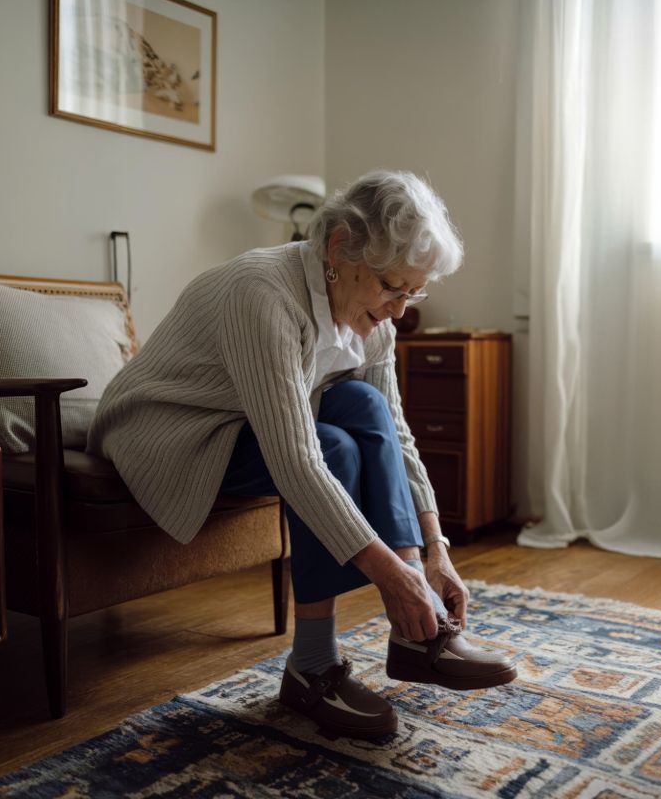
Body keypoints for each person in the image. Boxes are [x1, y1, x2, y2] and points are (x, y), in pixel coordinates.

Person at [87, 170, 515, 739]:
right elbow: (296, 458)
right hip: (167, 434)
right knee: (331, 445)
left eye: (413, 293)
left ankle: (418, 636)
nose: (399, 310)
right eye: (392, 286)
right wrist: (390, 577)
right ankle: (311, 667)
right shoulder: (261, 292)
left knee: (362, 403)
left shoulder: (374, 319)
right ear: (339, 247)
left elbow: (397, 432)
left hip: (240, 426)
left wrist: (433, 554)